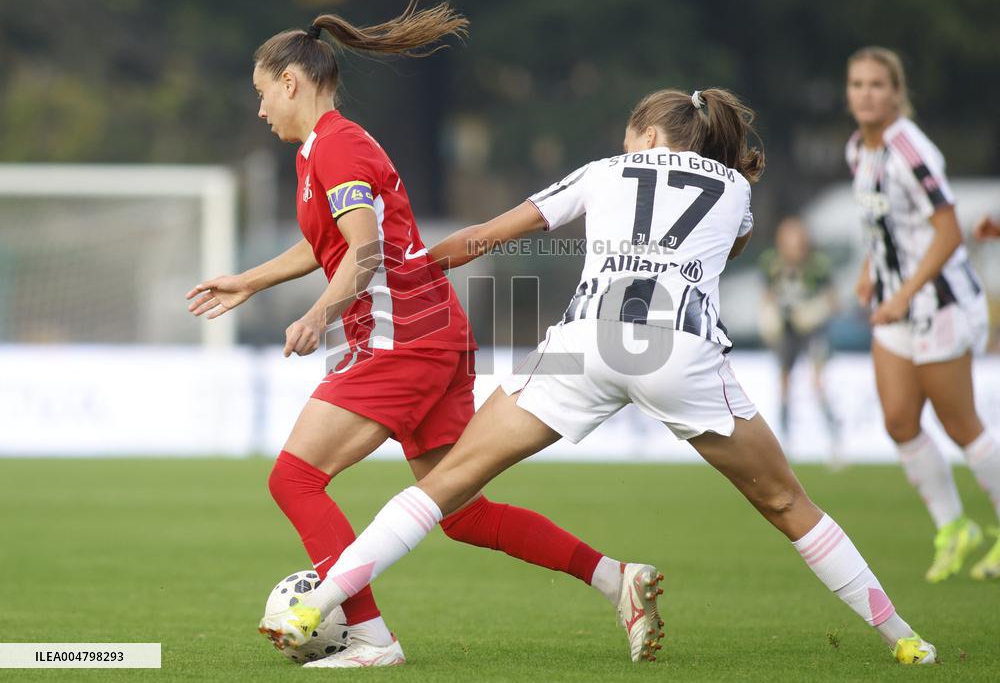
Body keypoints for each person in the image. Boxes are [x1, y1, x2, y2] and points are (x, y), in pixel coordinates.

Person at [263, 88, 938, 665]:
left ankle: (319, 606)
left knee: (445, 486)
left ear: (648, 137)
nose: (625, 146)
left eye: (629, 137)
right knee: (787, 502)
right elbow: (726, 248)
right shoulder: (737, 189)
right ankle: (904, 639)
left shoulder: (604, 172)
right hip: (679, 350)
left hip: (585, 343)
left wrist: (420, 266)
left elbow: (485, 237)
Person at [187, 0, 658, 668]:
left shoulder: (338, 148)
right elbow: (329, 244)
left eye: (262, 93)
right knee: (460, 512)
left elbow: (365, 251)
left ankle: (371, 638)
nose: (260, 110)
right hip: (433, 334)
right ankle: (617, 579)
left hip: (401, 339)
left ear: (290, 82)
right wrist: (249, 281)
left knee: (294, 479)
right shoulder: (324, 150)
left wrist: (319, 313)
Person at [845, 46, 1000, 583]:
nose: (866, 94)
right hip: (895, 308)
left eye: (877, 84)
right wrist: (869, 270)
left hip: (939, 304)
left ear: (896, 92)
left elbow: (948, 231)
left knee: (960, 424)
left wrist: (904, 295)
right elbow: (884, 227)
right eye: (857, 84)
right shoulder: (857, 150)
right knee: (899, 421)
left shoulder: (910, 150)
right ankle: (955, 527)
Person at [758, 216, 840, 454]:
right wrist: (768, 317)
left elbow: (833, 301)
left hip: (812, 329)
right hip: (787, 328)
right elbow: (767, 296)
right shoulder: (771, 263)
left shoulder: (817, 265)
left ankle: (834, 438)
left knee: (817, 382)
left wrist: (814, 311)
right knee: (784, 380)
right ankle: (785, 439)